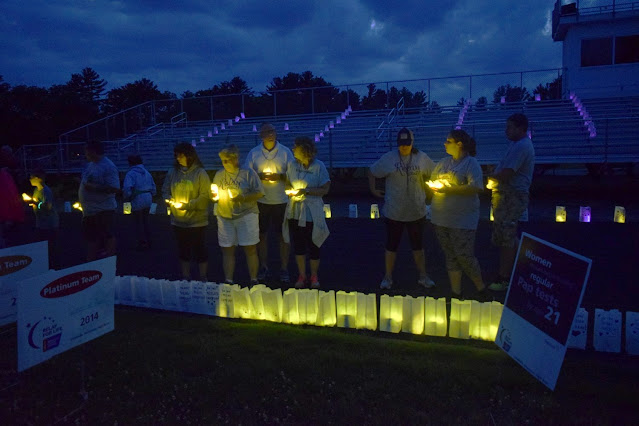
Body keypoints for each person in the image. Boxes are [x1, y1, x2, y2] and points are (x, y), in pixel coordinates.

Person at [368, 127, 436, 290]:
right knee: (391, 245)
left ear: (412, 143)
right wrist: (373, 189)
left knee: (418, 246)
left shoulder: (421, 157)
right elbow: (372, 171)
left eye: (407, 144)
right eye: (401, 144)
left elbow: (435, 172)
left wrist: (434, 186)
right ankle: (388, 277)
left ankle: (423, 276)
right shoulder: (389, 158)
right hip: (394, 211)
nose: (404, 147)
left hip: (416, 211)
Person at [430, 130, 487, 299]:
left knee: (464, 255)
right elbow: (433, 179)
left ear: (459, 144)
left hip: (462, 219)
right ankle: (456, 292)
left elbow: (476, 186)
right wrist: (435, 185)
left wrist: (451, 189)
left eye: (448, 141)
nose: (445, 144)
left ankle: (481, 288)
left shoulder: (471, 164)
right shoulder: (443, 162)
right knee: (450, 255)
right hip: (441, 217)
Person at [486, 113, 535, 291]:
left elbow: (508, 173)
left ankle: (504, 278)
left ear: (521, 129)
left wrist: (490, 177)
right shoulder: (516, 144)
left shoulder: (522, 146)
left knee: (507, 236)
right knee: (507, 235)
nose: (506, 131)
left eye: (510, 127)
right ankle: (514, 270)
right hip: (507, 195)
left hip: (511, 196)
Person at [244, 123, 294, 283]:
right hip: (260, 201)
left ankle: (284, 268)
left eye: (272, 130)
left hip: (282, 200)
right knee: (261, 236)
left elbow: (294, 174)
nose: (270, 134)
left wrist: (279, 177)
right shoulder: (254, 153)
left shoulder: (286, 152)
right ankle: (263, 266)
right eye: (266, 131)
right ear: (261, 135)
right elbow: (247, 174)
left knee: (283, 236)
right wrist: (258, 176)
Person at [211, 144, 264, 286]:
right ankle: (228, 280)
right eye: (223, 161)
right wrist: (214, 196)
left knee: (250, 247)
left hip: (246, 215)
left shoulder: (248, 173)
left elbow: (259, 192)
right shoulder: (219, 175)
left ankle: (253, 279)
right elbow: (215, 192)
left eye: (227, 160)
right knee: (227, 248)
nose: (225, 163)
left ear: (236, 158)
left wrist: (243, 198)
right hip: (225, 216)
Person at [283, 136, 330, 289]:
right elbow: (288, 183)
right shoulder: (291, 165)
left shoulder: (319, 166)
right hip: (295, 211)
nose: (292, 149)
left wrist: (307, 191)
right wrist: (290, 191)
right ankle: (302, 275)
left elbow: (325, 189)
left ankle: (314, 275)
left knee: (314, 244)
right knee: (299, 245)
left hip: (312, 212)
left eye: (295, 147)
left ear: (304, 150)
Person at [162, 142, 211, 281]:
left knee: (200, 249)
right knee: (183, 249)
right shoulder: (172, 172)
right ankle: (185, 276)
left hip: (197, 221)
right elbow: (165, 190)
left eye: (181, 155)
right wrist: (169, 200)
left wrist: (188, 206)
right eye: (176, 155)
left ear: (189, 156)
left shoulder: (200, 173)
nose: (178, 158)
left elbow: (204, 196)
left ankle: (203, 276)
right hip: (178, 221)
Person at [78, 140, 120, 261]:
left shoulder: (108, 166)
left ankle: (109, 261)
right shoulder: (91, 165)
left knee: (107, 235)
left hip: (103, 210)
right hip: (90, 211)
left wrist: (94, 188)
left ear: (92, 151)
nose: (85, 154)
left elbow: (115, 188)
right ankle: (92, 262)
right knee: (92, 238)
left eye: (86, 151)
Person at [122, 154, 156, 250]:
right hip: (148, 197)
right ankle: (149, 240)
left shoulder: (131, 173)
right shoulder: (146, 172)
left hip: (137, 197)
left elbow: (127, 187)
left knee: (137, 221)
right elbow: (153, 185)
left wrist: (127, 196)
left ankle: (142, 242)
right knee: (146, 220)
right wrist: (153, 194)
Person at [29, 169, 59, 268]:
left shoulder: (46, 191)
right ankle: (45, 265)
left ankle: (52, 267)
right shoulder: (36, 190)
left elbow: (47, 207)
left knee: (49, 247)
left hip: (48, 224)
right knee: (43, 246)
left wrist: (36, 203)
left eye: (31, 177)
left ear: (38, 178)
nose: (30, 179)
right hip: (41, 223)